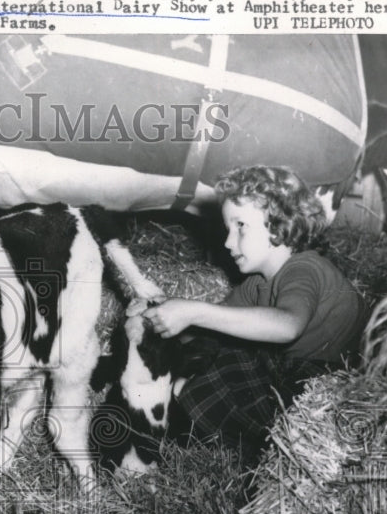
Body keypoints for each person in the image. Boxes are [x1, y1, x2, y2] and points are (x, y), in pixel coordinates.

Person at [130, 165, 368, 457]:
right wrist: (160, 314)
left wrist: (194, 312)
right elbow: (210, 328)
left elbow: (287, 326)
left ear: (281, 222)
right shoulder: (257, 283)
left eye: (240, 226)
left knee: (228, 368)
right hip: (288, 368)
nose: (228, 242)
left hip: (330, 386)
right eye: (228, 229)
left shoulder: (304, 268)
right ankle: (190, 411)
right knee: (215, 354)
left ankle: (222, 434)